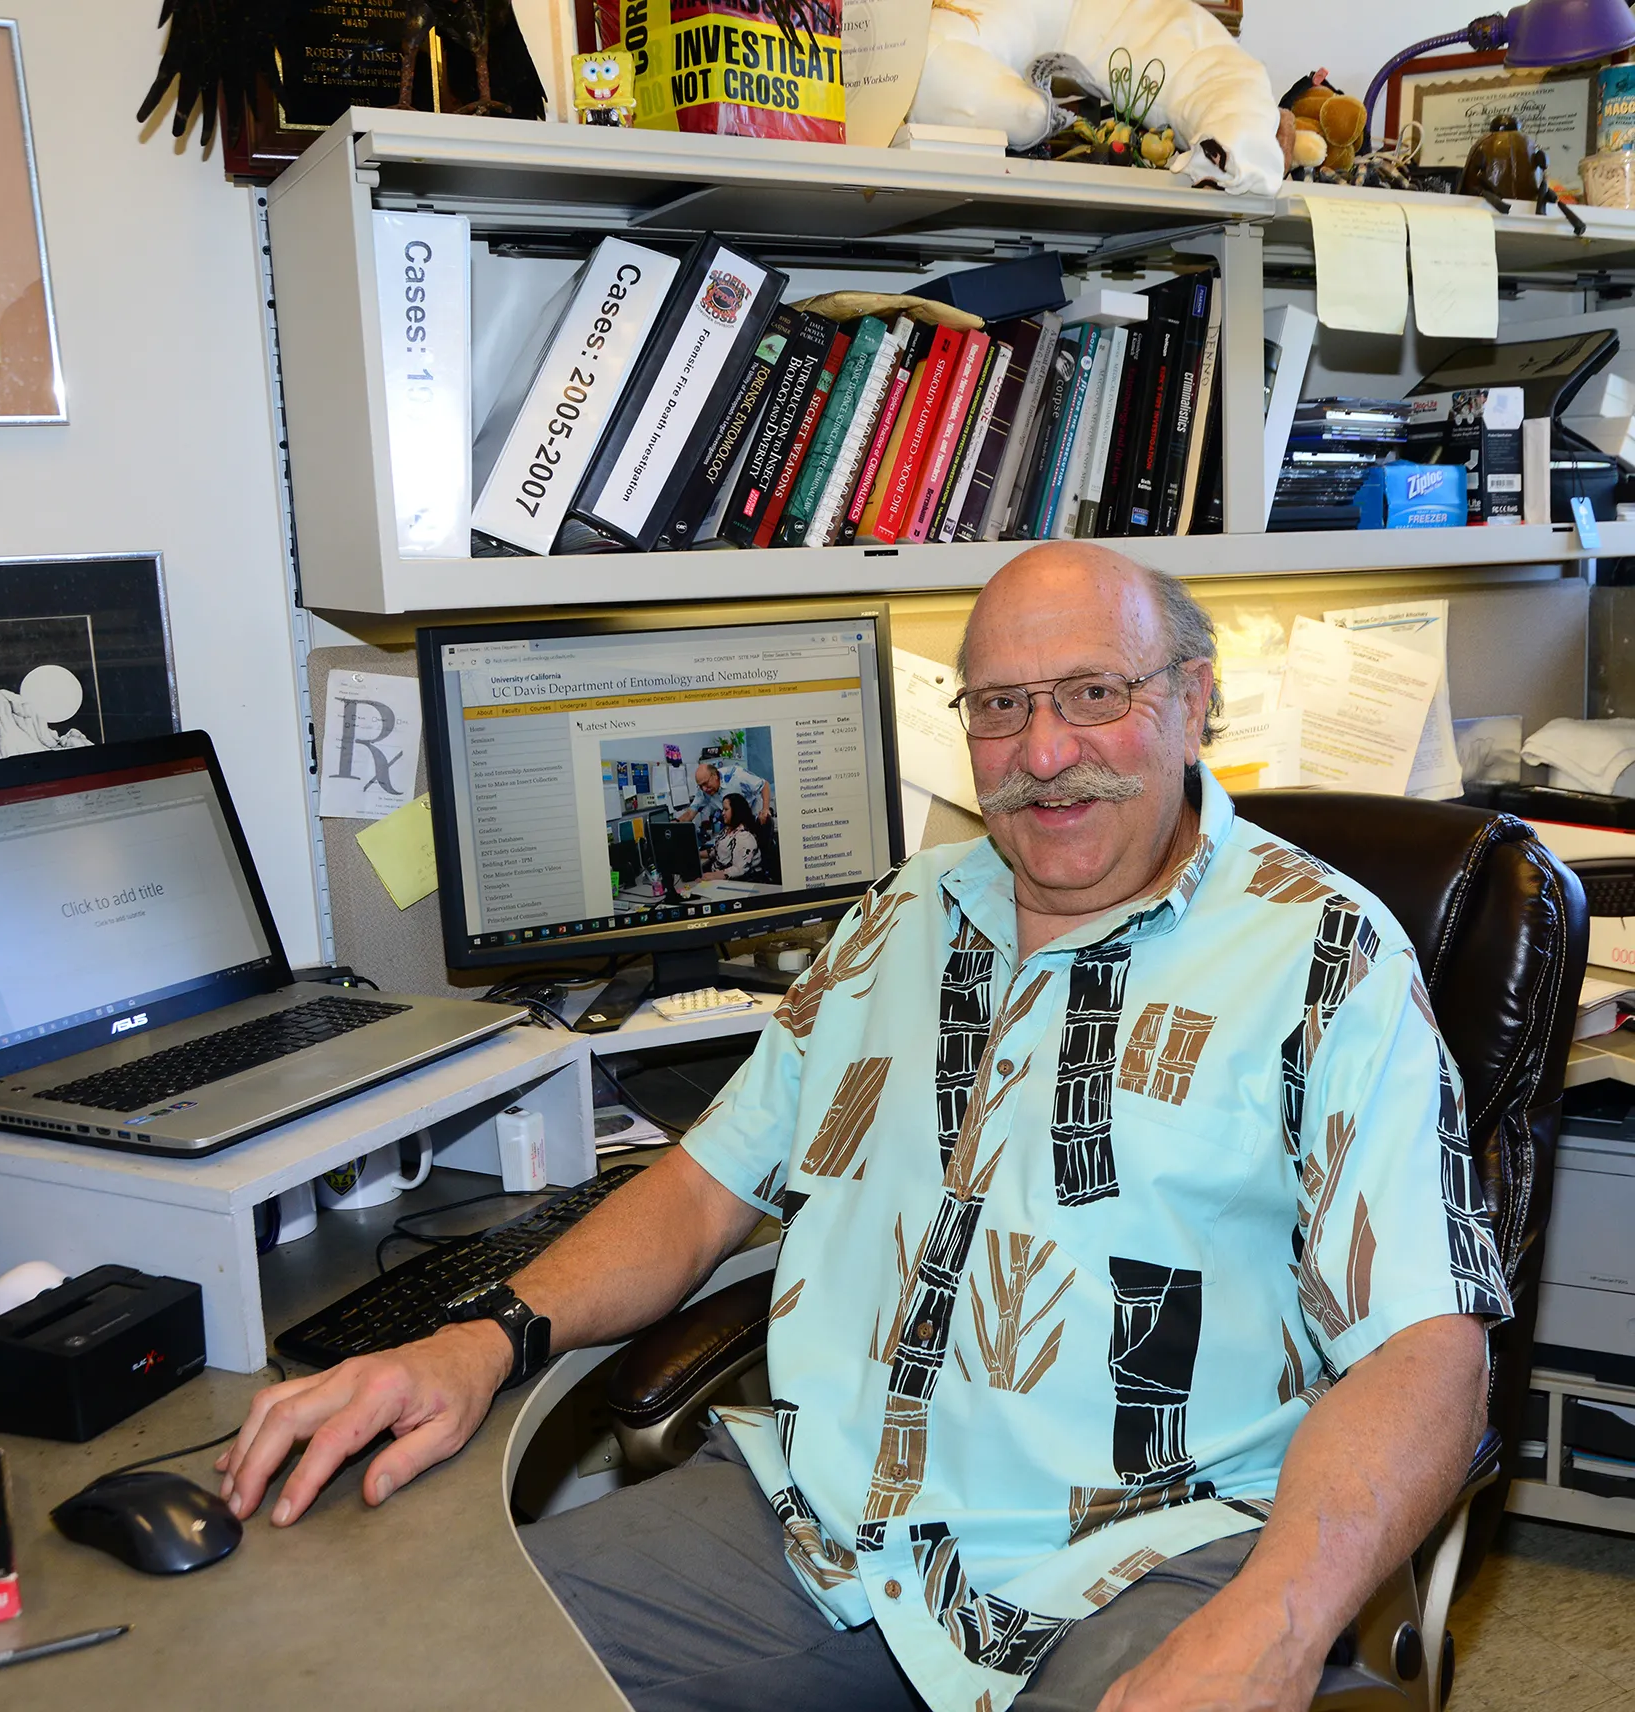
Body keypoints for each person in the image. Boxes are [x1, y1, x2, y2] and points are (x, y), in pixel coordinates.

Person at [217, 544, 1506, 1712]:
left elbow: (1427, 1349)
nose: (1044, 750)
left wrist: (1275, 1623)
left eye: (1093, 694)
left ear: (1191, 697)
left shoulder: (1325, 954)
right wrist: (479, 1338)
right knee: (404, 1652)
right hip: (822, 1532)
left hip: (1153, 1547)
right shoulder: (898, 914)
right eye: (1001, 706)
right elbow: (707, 1184)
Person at [679, 756, 772, 841]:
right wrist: (674, 825)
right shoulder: (703, 791)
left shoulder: (737, 775)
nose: (704, 789)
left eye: (705, 783)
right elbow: (690, 813)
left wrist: (765, 809)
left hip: (755, 818)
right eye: (700, 786)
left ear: (714, 776)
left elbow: (764, 785)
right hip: (736, 827)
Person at [706, 792, 770, 881]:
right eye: (723, 810)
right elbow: (716, 852)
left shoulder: (744, 836)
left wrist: (711, 876)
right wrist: (697, 854)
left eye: (726, 809)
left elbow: (738, 869)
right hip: (718, 877)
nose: (722, 813)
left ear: (736, 811)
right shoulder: (727, 830)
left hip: (737, 881)